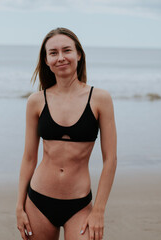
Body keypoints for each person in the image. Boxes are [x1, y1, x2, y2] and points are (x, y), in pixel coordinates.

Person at [16, 27, 117, 240]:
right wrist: (19, 206)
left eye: (67, 50)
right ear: (46, 60)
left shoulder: (100, 99)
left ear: (78, 54)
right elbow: (29, 158)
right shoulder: (36, 101)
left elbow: (110, 160)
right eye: (53, 53)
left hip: (79, 204)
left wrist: (98, 210)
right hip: (37, 202)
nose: (61, 57)